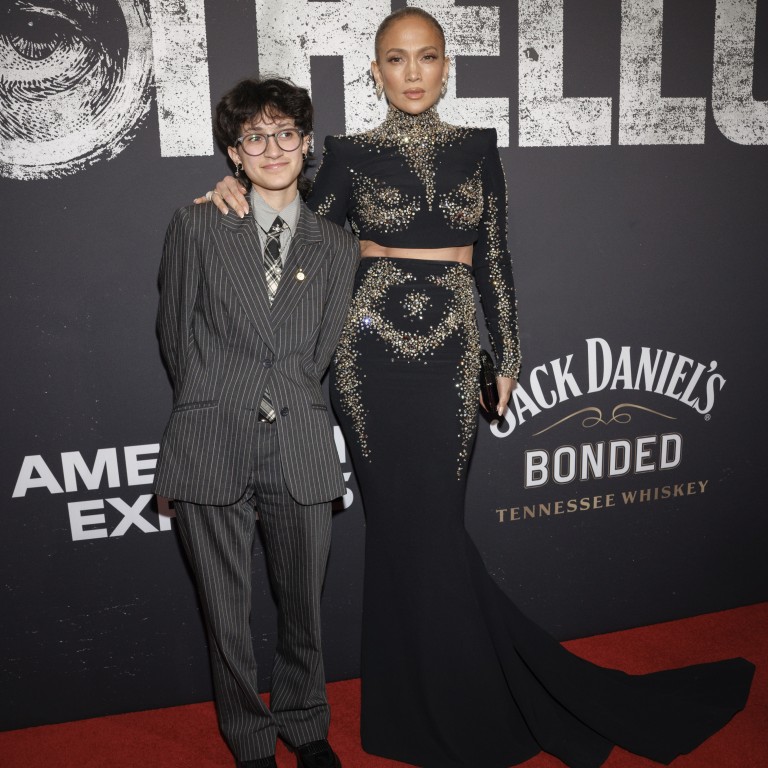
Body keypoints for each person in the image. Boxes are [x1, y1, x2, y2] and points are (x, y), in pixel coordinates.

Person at [199, 9, 754, 768]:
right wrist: (232, 189)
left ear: (447, 66)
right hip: (368, 361)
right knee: (405, 537)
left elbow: (493, 256)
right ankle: (422, 712)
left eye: (428, 57)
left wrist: (507, 354)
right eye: (397, 59)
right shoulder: (348, 153)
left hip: (454, 357)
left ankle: (456, 701)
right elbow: (297, 229)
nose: (414, 72)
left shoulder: (477, 149)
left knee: (431, 534)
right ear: (376, 71)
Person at [154, 77, 359, 768]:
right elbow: (177, 340)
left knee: (303, 606)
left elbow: (322, 349)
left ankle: (305, 724)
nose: (272, 147)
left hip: (298, 443)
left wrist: (280, 398)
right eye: (254, 137)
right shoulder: (197, 225)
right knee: (226, 614)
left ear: (306, 143)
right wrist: (217, 403)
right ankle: (249, 739)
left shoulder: (336, 245)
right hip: (212, 438)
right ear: (234, 154)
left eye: (285, 133)